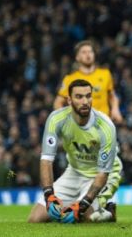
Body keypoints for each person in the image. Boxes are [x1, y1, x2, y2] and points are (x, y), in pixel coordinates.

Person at [27, 79, 122, 223]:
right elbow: (46, 160)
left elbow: (103, 174)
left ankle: (108, 213)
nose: (85, 101)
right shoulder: (56, 119)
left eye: (88, 96)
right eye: (79, 97)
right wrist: (49, 195)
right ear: (69, 100)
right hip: (74, 171)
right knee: (35, 219)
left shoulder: (105, 126)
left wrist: (83, 205)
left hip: (102, 174)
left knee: (84, 217)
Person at [54, 40, 123, 124]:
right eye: (83, 52)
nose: (88, 54)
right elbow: (58, 103)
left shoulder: (105, 74)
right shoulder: (70, 79)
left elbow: (112, 96)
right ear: (77, 57)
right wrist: (66, 121)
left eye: (90, 52)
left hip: (103, 125)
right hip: (80, 127)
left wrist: (115, 109)